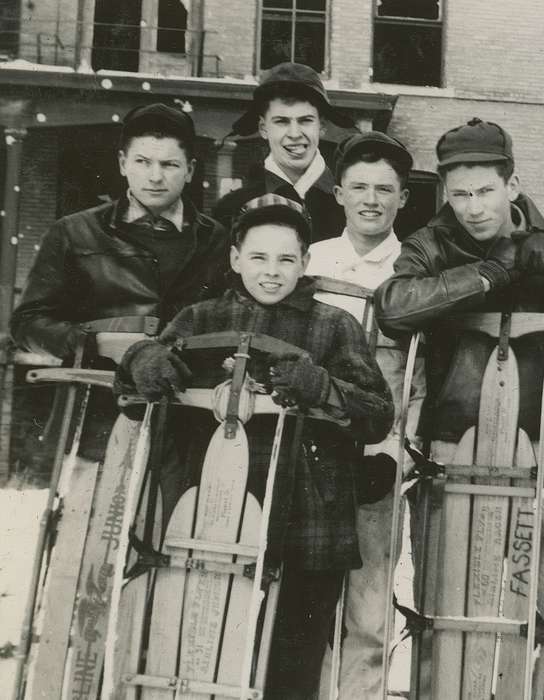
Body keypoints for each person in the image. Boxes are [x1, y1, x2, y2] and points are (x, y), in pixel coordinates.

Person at [115, 194, 393, 697]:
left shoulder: (334, 325)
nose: (272, 272)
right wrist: (141, 359)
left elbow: (376, 417)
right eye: (259, 257)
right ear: (235, 258)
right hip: (209, 509)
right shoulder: (201, 318)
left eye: (287, 259)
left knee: (291, 659)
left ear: (305, 262)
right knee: (201, 643)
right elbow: (137, 398)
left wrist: (321, 385)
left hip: (307, 514)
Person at [375, 118, 544, 698]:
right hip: (452, 445)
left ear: (512, 184)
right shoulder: (430, 243)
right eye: (459, 194)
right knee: (447, 598)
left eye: (485, 191)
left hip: (541, 445)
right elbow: (395, 307)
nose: (473, 207)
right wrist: (487, 274)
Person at [12, 102, 230, 457]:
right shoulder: (74, 232)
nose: (155, 176)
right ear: (122, 163)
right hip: (95, 415)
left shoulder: (217, 240)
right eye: (143, 162)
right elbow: (27, 323)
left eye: (169, 164)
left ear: (190, 170)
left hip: (190, 419)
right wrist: (96, 342)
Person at [306, 131, 425, 699]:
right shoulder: (309, 260)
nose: (371, 199)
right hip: (310, 447)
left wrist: (401, 449)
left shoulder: (416, 269)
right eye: (359, 187)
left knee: (369, 598)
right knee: (301, 595)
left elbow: (424, 375)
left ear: (403, 197)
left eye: (385, 188)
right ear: (338, 191)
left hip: (379, 450)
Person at [213, 62, 353, 245]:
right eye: (281, 121)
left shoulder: (352, 202)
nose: (294, 134)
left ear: (322, 127)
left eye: (305, 121)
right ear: (263, 128)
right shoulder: (231, 208)